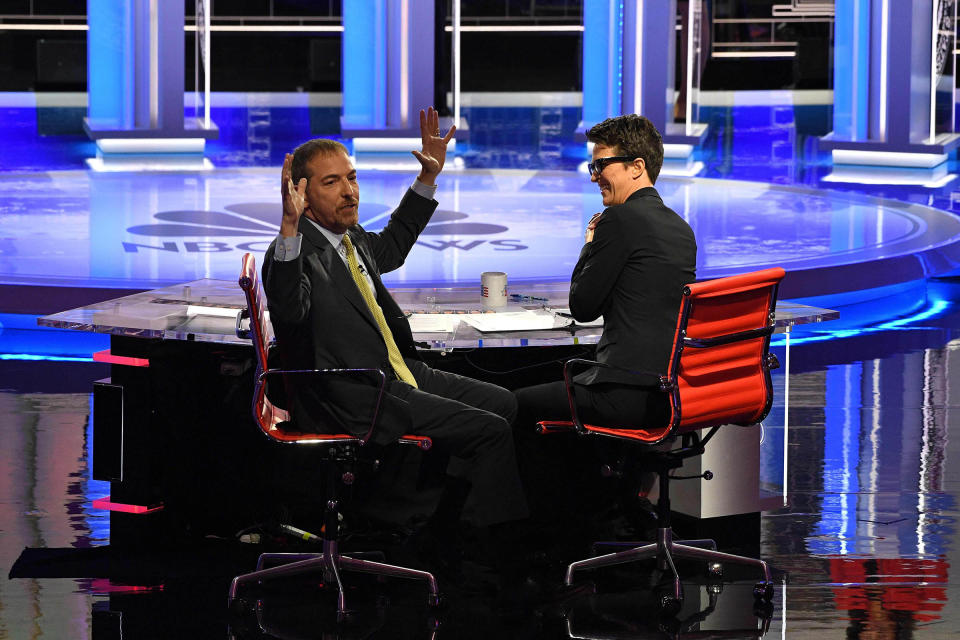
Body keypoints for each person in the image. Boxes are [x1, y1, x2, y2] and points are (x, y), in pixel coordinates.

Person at [263, 107, 528, 580]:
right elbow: (288, 310)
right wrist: (287, 228)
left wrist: (427, 178)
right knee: (489, 431)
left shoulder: (350, 239)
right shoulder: (294, 251)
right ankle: (494, 556)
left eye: (352, 178)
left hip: (398, 373)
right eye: (332, 183)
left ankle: (441, 530)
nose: (350, 191)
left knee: (504, 403)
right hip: (354, 393)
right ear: (300, 194)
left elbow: (395, 245)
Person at [513, 114, 697, 535]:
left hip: (625, 393)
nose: (595, 176)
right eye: (592, 167)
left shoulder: (619, 221)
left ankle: (536, 538)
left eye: (602, 166)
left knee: (516, 404)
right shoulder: (680, 228)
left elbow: (582, 306)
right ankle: (610, 512)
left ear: (637, 167)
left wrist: (589, 246)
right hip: (670, 392)